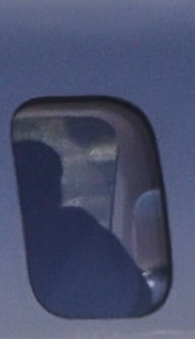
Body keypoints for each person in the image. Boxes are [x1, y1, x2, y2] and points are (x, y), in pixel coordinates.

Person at [13, 136, 153, 318]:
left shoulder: (83, 233)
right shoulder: (80, 227)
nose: (49, 192)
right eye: (35, 184)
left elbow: (138, 301)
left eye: (47, 183)